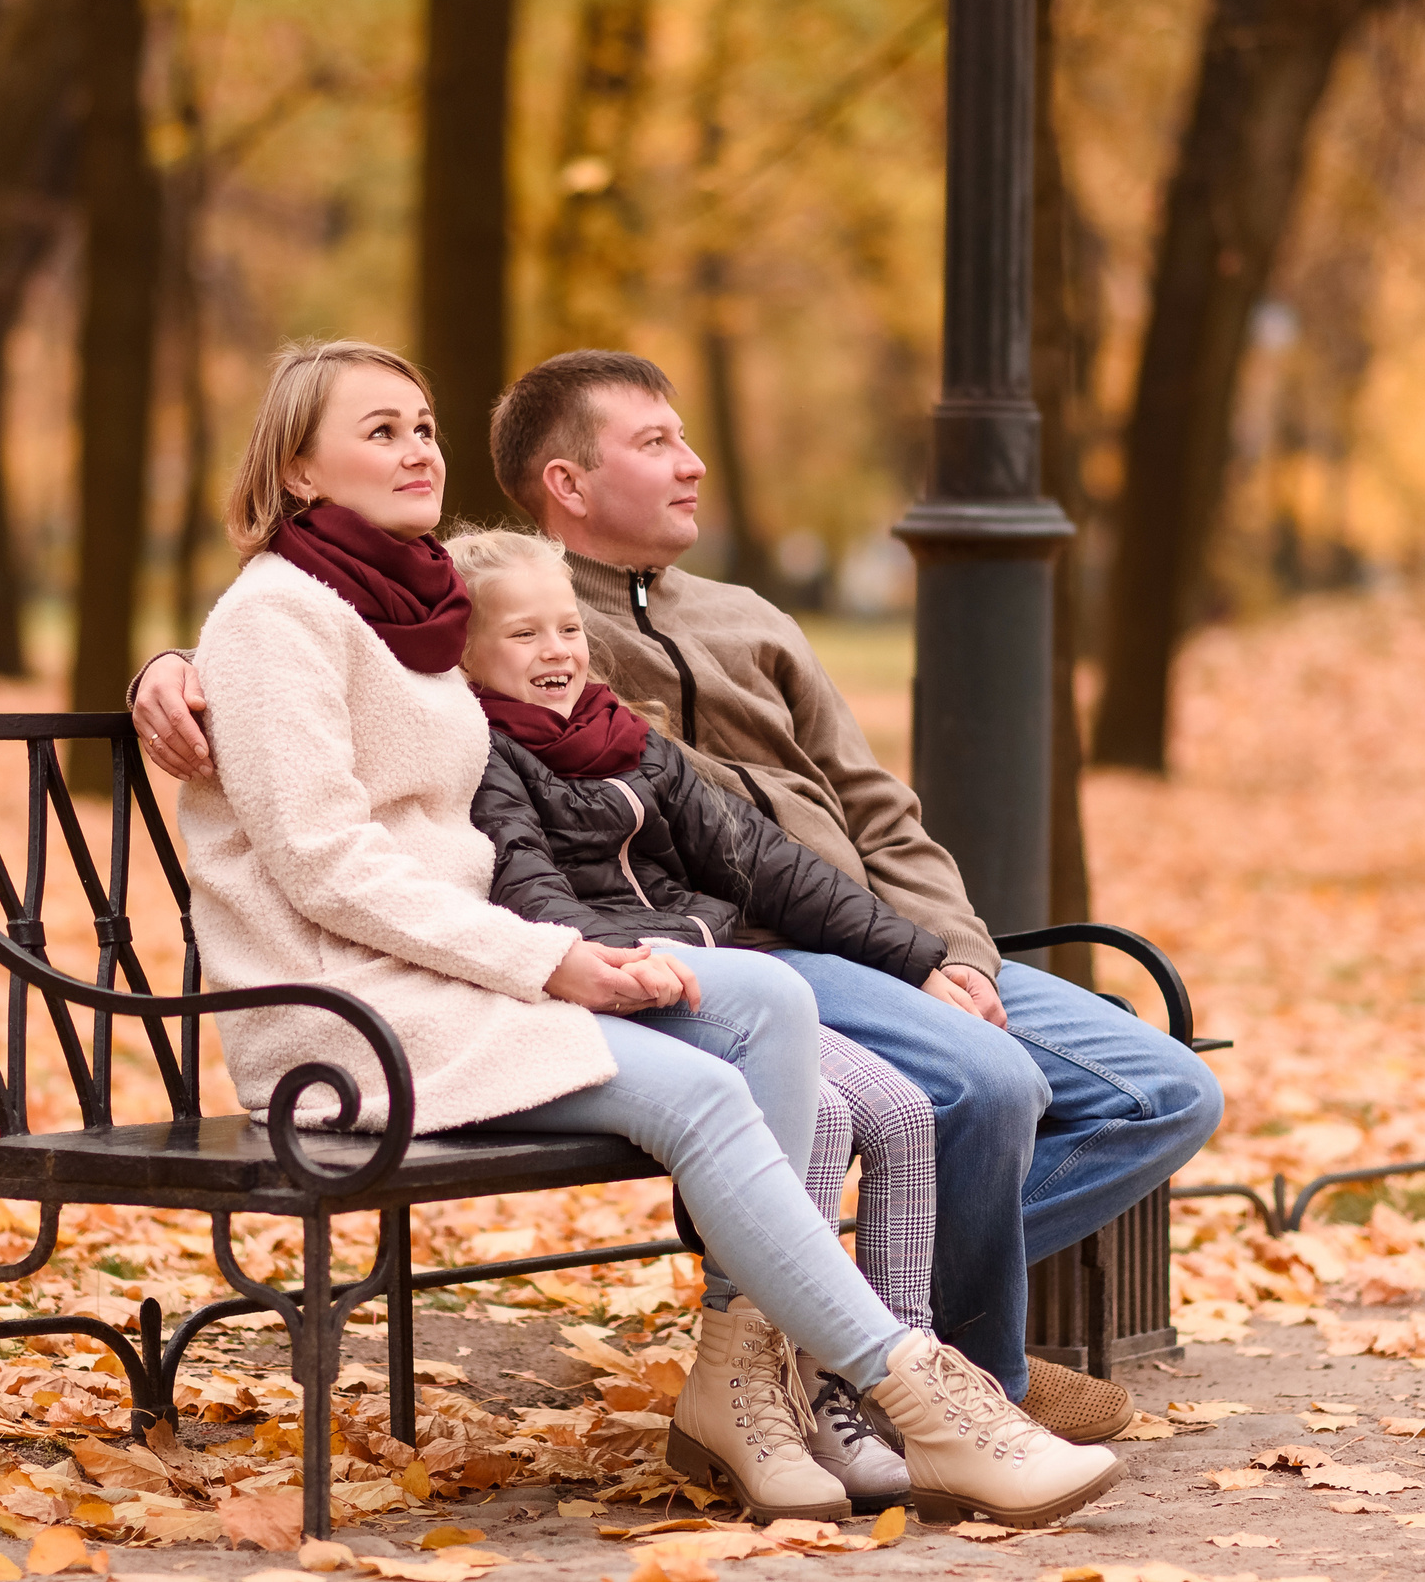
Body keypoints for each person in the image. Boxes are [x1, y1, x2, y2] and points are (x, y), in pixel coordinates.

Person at [133, 349, 1223, 1445]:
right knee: (959, 1082)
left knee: (1162, 1089)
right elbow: (298, 665)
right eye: (653, 443)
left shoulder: (733, 616)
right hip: (681, 947)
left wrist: (952, 952)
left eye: (424, 425)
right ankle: (937, 1370)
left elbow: (873, 804)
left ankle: (875, 1336)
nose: (693, 464)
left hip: (857, 933)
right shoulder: (503, 606)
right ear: (566, 481)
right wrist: (172, 665)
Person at [446, 525, 941, 1510]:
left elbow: (766, 863)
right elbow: (531, 897)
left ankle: (875, 1386)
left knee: (905, 1112)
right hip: (625, 990)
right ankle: (775, 1393)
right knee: (832, 1116)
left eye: (565, 628)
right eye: (522, 635)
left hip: (724, 982)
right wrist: (638, 965)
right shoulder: (482, 754)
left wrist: (915, 955)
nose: (556, 650)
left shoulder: (625, 739)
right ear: (460, 652)